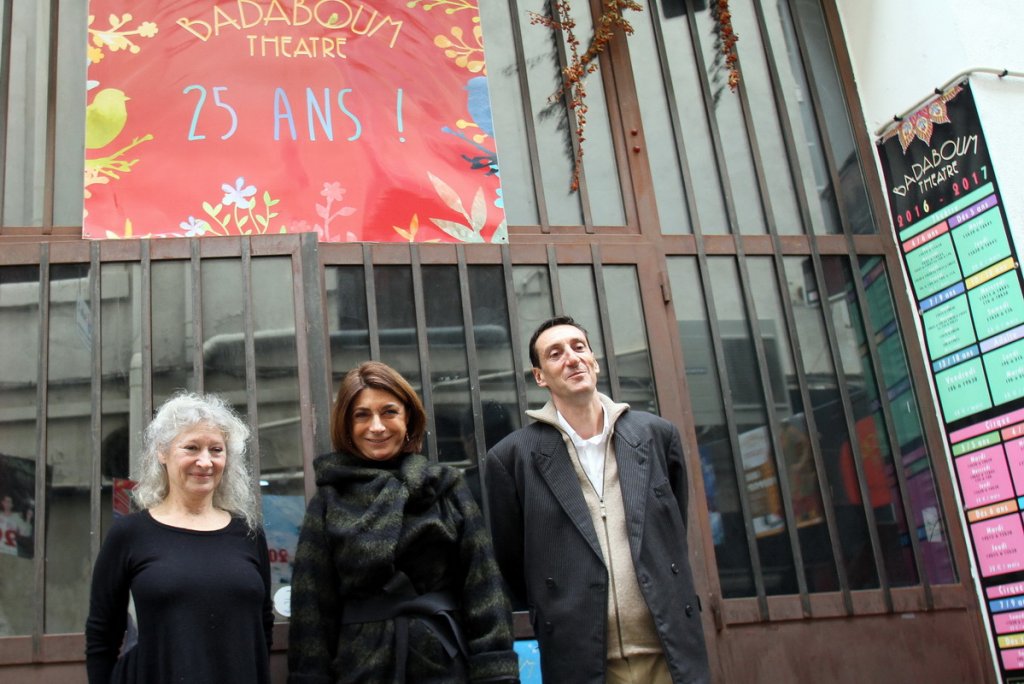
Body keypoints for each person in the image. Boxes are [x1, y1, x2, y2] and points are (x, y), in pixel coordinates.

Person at [484, 315, 711, 684]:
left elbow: (670, 529)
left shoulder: (655, 435)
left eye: (579, 347)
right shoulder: (513, 458)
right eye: (555, 354)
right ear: (540, 376)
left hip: (669, 649)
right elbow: (512, 560)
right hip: (581, 657)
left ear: (595, 361)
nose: (572, 358)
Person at [287, 361, 519, 683]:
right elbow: (311, 607)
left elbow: (484, 586)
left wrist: (496, 673)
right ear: (347, 425)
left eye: (389, 412)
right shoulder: (329, 500)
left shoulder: (446, 488)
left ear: (408, 418)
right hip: (359, 669)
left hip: (444, 664)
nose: (377, 426)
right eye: (362, 415)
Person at [85, 392, 273, 684]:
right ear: (163, 452)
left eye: (216, 450)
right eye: (192, 448)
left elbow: (263, 627)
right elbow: (102, 635)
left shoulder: (248, 533)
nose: (205, 461)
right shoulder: (130, 534)